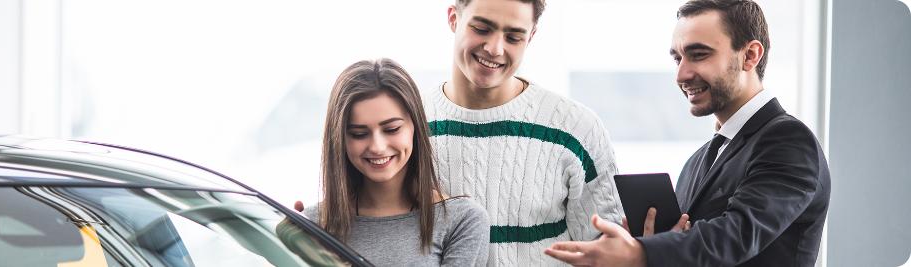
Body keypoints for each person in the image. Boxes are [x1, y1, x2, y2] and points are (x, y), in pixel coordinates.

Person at [544, 0, 831, 266]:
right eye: (677, 58)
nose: (681, 75)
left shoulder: (789, 142)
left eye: (698, 55)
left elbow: (736, 235)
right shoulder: (699, 160)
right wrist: (652, 240)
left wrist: (641, 253)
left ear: (750, 55)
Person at [426, 0, 624, 265]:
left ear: (530, 36)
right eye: (482, 28)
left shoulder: (576, 128)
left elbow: (607, 248)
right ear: (453, 18)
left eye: (513, 37)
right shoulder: (406, 127)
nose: (495, 48)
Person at [303, 58, 490, 266]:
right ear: (340, 139)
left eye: (392, 129)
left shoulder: (461, 221)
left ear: (415, 127)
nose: (377, 146)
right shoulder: (311, 226)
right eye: (358, 133)